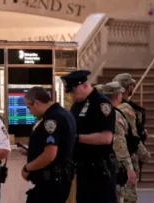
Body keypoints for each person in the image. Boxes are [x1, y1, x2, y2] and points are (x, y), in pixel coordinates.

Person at [61, 70, 116, 203]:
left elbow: (106, 137)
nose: (72, 95)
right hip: (83, 169)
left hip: (99, 170)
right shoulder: (77, 106)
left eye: (74, 91)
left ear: (84, 85)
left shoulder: (101, 104)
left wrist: (77, 138)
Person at [20, 86, 76, 203]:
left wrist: (27, 168)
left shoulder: (51, 119)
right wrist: (32, 152)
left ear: (37, 103)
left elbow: (50, 154)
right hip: (59, 178)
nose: (30, 112)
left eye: (29, 107)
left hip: (51, 181)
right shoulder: (64, 113)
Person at [98, 82, 143, 203]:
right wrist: (129, 167)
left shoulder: (99, 112)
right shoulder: (114, 114)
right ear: (118, 95)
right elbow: (119, 142)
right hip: (113, 164)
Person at [113, 73, 147, 143]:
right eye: (132, 85)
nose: (133, 87)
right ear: (129, 87)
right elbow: (134, 137)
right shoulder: (127, 108)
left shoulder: (113, 103)